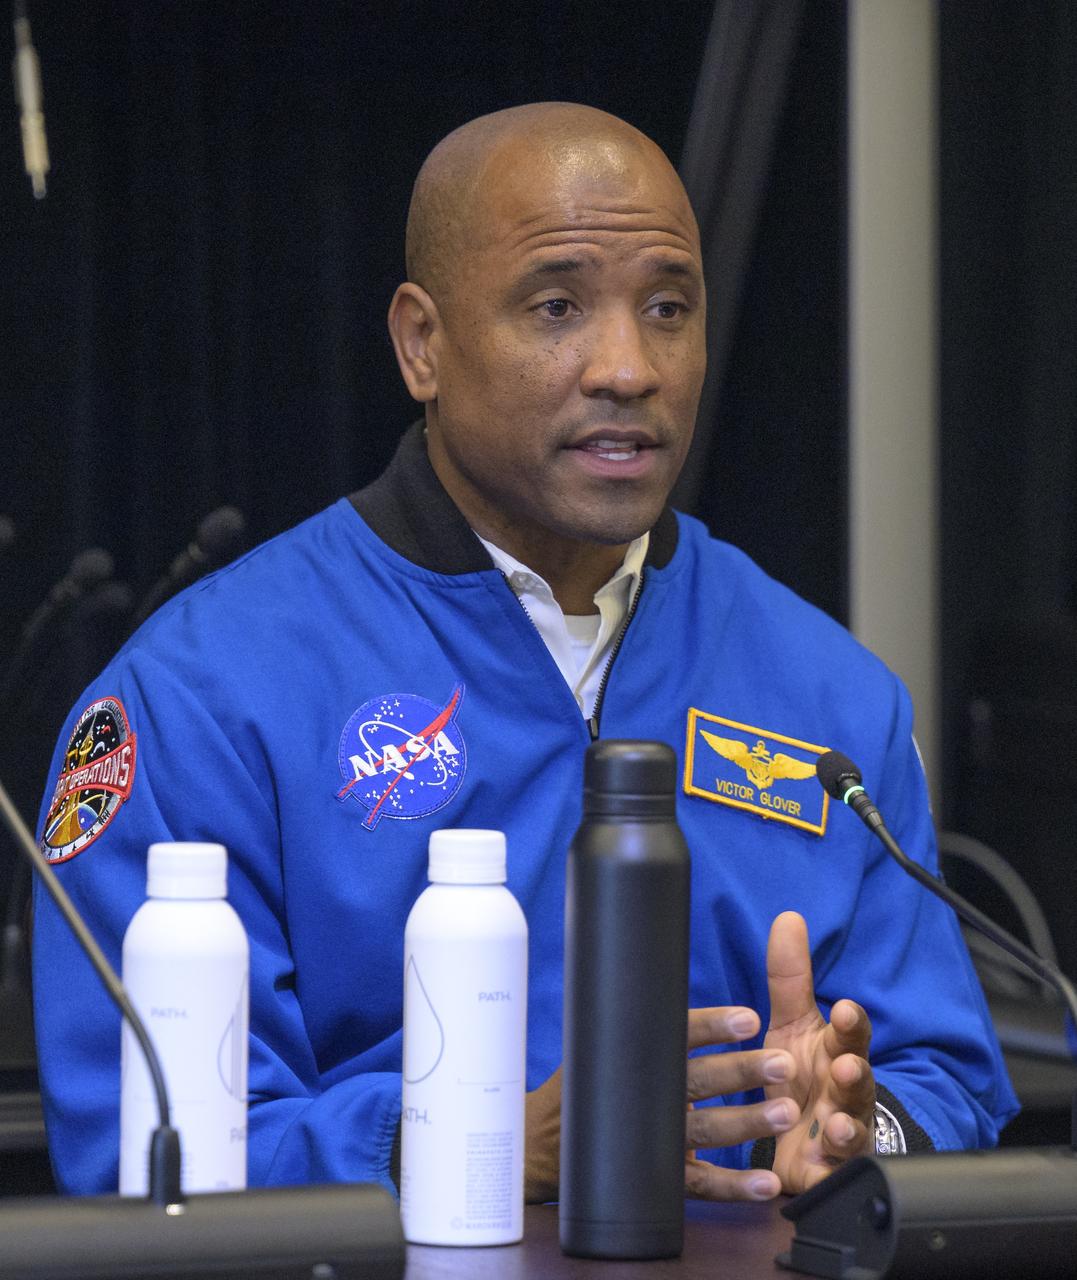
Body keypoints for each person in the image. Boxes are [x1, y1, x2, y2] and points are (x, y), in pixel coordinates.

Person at [33, 102, 1018, 1201]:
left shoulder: (830, 692)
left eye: (668, 308)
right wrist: (466, 1143)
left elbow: (947, 1075)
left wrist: (856, 1134)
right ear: (423, 344)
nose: (628, 367)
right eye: (557, 306)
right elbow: (143, 1150)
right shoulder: (201, 695)